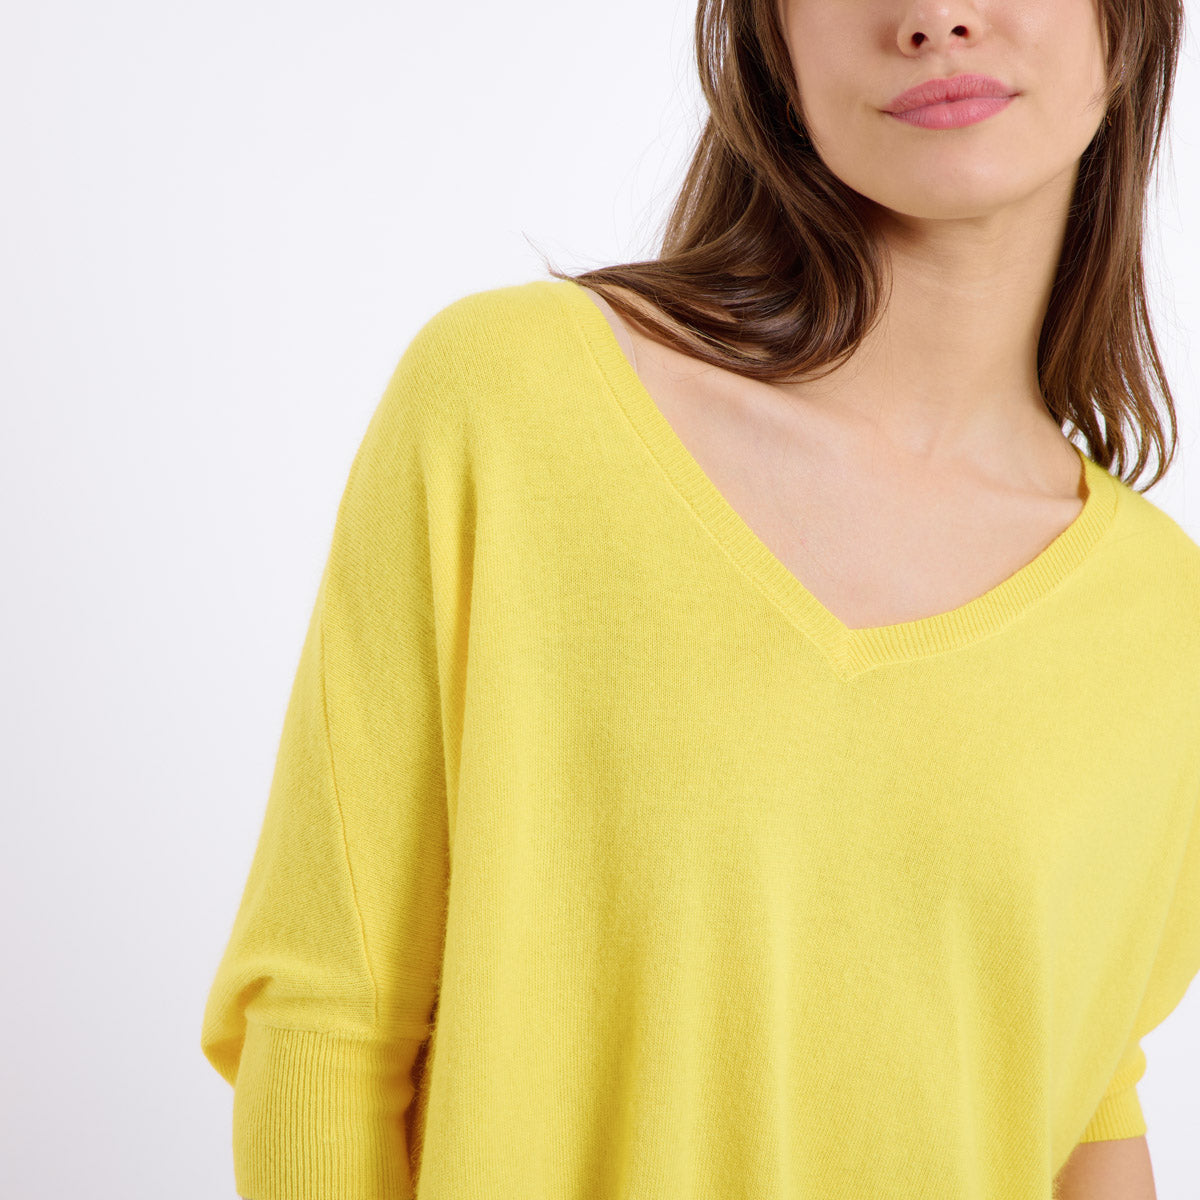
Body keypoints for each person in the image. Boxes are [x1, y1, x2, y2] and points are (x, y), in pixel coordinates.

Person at [201, 1, 1197, 1197]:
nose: (935, 17)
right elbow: (327, 1022)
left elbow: (1082, 1088)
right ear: (770, 35)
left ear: (1129, 25)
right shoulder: (511, 409)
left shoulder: (1164, 623)